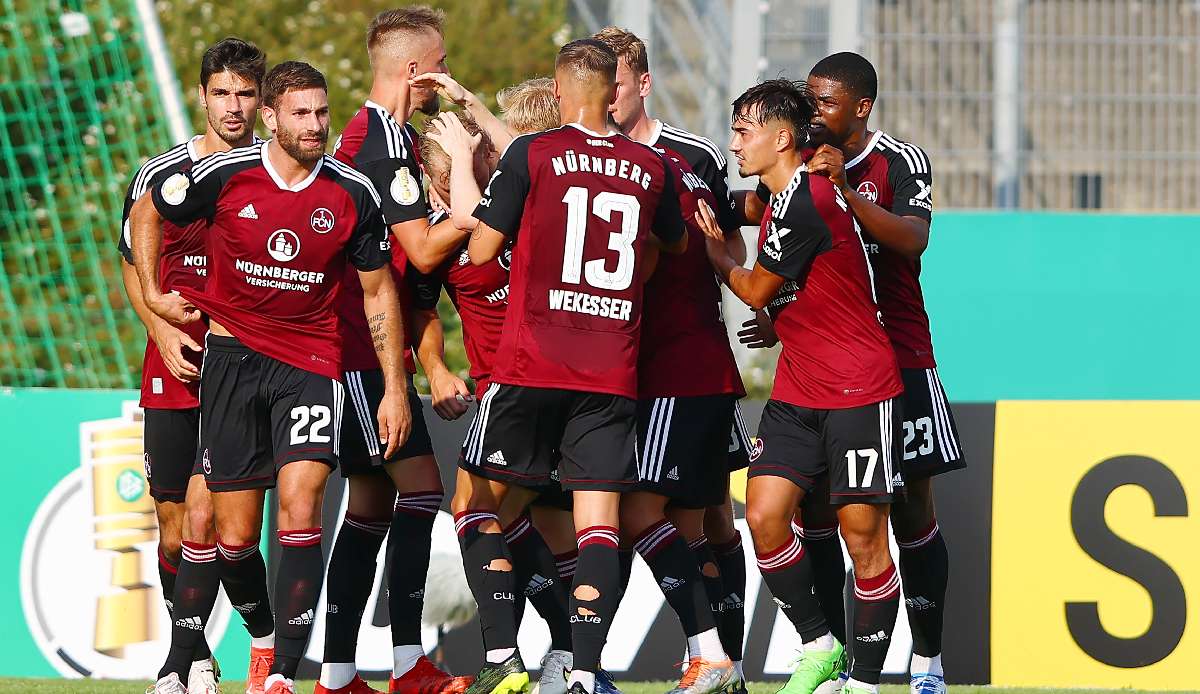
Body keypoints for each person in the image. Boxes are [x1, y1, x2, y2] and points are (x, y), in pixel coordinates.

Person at [130, 61, 410, 694]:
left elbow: (376, 292)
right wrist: (153, 294)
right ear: (272, 118)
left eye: (322, 112)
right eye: (301, 114)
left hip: (311, 365)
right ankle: (194, 658)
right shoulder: (224, 175)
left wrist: (395, 387)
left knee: (301, 504)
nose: (315, 126)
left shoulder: (351, 191)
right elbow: (147, 208)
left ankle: (282, 672)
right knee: (228, 534)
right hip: (231, 364)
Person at [451, 38, 686, 694]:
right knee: (598, 528)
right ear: (613, 90)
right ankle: (583, 671)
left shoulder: (534, 153)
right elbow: (672, 244)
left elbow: (481, 253)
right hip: (611, 372)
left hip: (531, 366)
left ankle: (501, 654)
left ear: (559, 94)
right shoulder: (649, 164)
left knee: (474, 507)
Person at [697, 78, 903, 694]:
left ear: (782, 138)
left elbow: (756, 286)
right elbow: (782, 275)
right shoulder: (782, 193)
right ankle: (819, 642)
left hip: (857, 389)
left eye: (744, 130)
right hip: (797, 388)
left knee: (863, 540)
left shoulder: (809, 197)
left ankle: (864, 682)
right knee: (762, 515)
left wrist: (717, 255)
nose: (734, 142)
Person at [316, 8, 473, 694]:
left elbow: (410, 279)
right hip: (354, 352)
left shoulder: (389, 135)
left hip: (364, 349)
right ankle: (407, 664)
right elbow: (420, 249)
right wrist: (480, 204)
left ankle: (340, 673)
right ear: (414, 69)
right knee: (419, 492)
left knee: (373, 507)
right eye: (439, 63)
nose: (445, 76)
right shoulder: (379, 143)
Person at [591, 27, 749, 693]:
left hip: (683, 368)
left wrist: (761, 311)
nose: (605, 100)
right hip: (630, 374)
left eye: (617, 86)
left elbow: (727, 247)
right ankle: (712, 661)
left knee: (686, 517)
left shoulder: (692, 155)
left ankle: (718, 658)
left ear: (644, 84)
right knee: (681, 519)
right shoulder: (584, 157)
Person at [800, 52, 962, 694]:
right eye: (809, 100)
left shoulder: (898, 161)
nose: (815, 113)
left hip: (900, 358)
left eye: (826, 102)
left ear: (860, 107)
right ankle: (835, 655)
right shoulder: (803, 165)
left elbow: (913, 239)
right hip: (827, 366)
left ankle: (927, 664)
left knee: (912, 509)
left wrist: (842, 191)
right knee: (812, 504)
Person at [118, 37, 276, 694]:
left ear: (262, 101)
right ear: (201, 94)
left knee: (218, 522)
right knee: (176, 524)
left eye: (246, 94)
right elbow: (131, 265)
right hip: (171, 364)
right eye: (222, 92)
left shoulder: (278, 175)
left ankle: (183, 663)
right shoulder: (160, 174)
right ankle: (205, 653)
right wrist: (160, 324)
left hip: (246, 371)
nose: (234, 106)